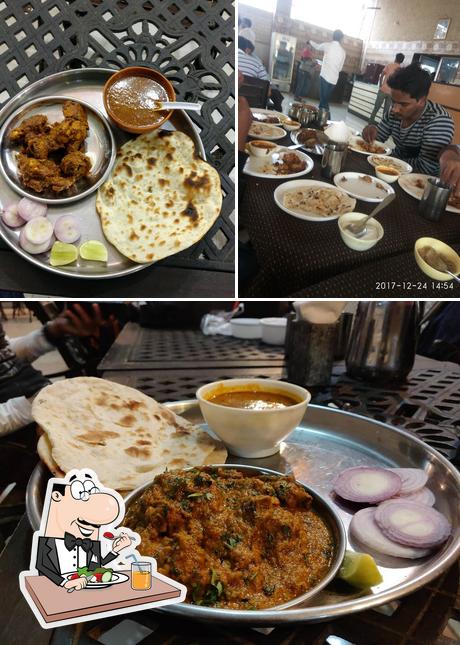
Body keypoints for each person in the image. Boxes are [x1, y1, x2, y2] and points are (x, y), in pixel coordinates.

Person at [0, 303, 104, 437]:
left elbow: (5, 353)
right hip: (20, 429)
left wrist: (51, 332)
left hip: (38, 403)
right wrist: (37, 404)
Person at [362, 63, 454, 175]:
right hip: (395, 167)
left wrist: (387, 161)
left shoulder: (438, 120)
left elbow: (426, 167)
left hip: (419, 180)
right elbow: (377, 141)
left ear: (421, 100)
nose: (395, 109)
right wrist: (371, 134)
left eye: (403, 104)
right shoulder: (395, 111)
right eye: (393, 101)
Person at [238, 36, 284, 112]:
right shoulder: (257, 63)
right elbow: (268, 93)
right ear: (246, 48)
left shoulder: (223, 61)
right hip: (250, 110)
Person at [309, 30, 346, 116]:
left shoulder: (327, 45)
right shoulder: (343, 52)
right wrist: (326, 64)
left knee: (323, 101)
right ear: (341, 39)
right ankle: (322, 118)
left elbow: (317, 46)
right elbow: (340, 68)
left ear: (333, 36)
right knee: (324, 100)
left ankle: (326, 119)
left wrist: (310, 41)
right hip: (333, 80)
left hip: (325, 77)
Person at [369, 53, 405, 124]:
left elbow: (381, 75)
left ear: (395, 58)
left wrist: (380, 85)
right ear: (402, 61)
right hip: (391, 93)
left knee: (376, 108)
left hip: (383, 90)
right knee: (386, 112)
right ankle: (382, 125)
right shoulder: (401, 70)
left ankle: (370, 122)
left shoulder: (389, 65)